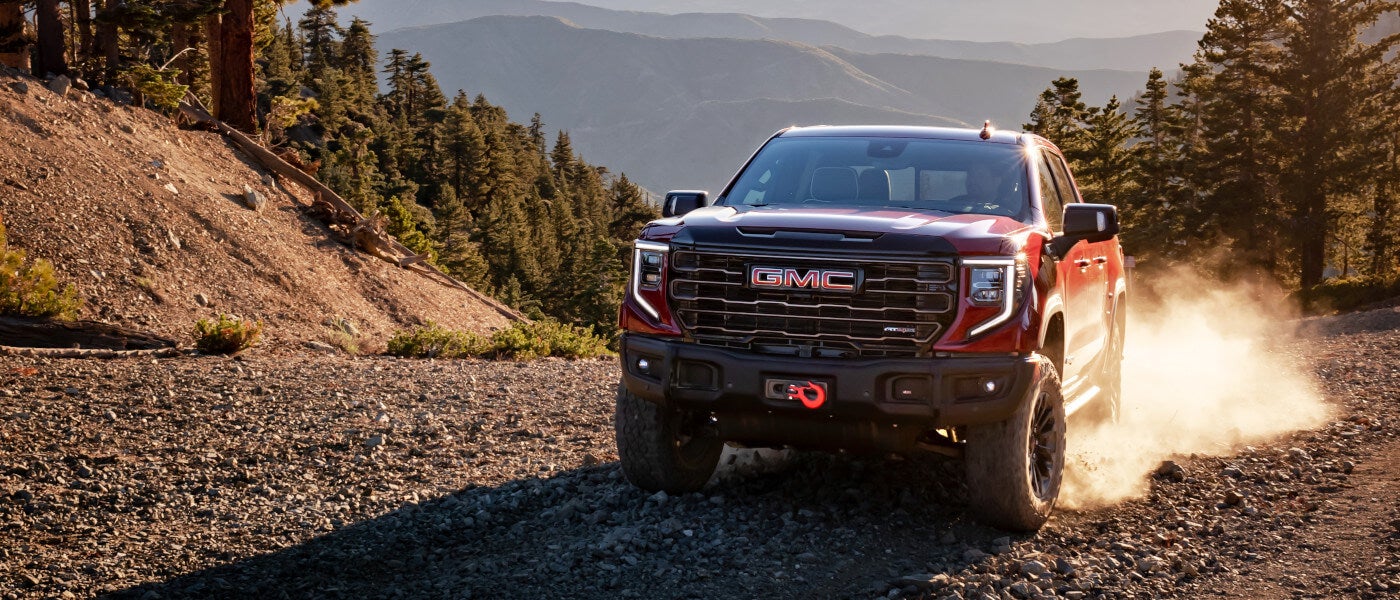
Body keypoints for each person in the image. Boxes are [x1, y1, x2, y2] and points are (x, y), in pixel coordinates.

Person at [945, 161, 1022, 216]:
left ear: (996, 181)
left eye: (980, 176)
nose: (972, 181)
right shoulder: (954, 204)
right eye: (970, 175)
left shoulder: (1009, 210)